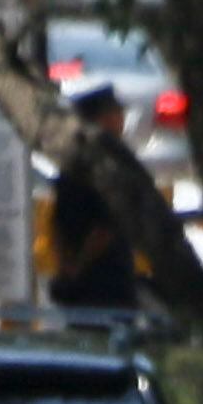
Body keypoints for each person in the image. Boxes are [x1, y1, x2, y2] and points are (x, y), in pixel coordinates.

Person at [46, 82, 141, 310]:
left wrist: (66, 267)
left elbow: (56, 223)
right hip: (108, 280)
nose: (121, 121)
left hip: (79, 280)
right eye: (116, 114)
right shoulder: (110, 164)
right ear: (101, 120)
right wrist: (77, 267)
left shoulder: (71, 163)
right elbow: (105, 229)